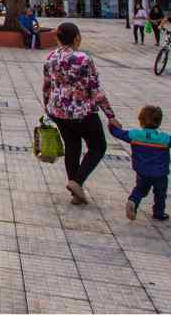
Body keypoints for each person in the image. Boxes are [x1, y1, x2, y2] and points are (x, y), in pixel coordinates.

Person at [42, 22, 122, 205]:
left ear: (58, 38)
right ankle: (77, 181)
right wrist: (110, 115)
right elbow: (95, 89)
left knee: (72, 147)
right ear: (77, 38)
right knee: (98, 147)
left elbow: (46, 86)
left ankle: (76, 191)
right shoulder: (83, 59)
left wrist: (47, 106)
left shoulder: (50, 57)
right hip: (81, 111)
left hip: (58, 110)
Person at [109, 105, 171, 222]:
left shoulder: (135, 135)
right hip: (160, 173)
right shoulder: (164, 138)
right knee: (160, 194)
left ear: (140, 120)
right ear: (159, 122)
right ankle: (158, 213)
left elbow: (119, 133)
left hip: (142, 171)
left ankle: (133, 201)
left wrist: (112, 126)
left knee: (140, 189)